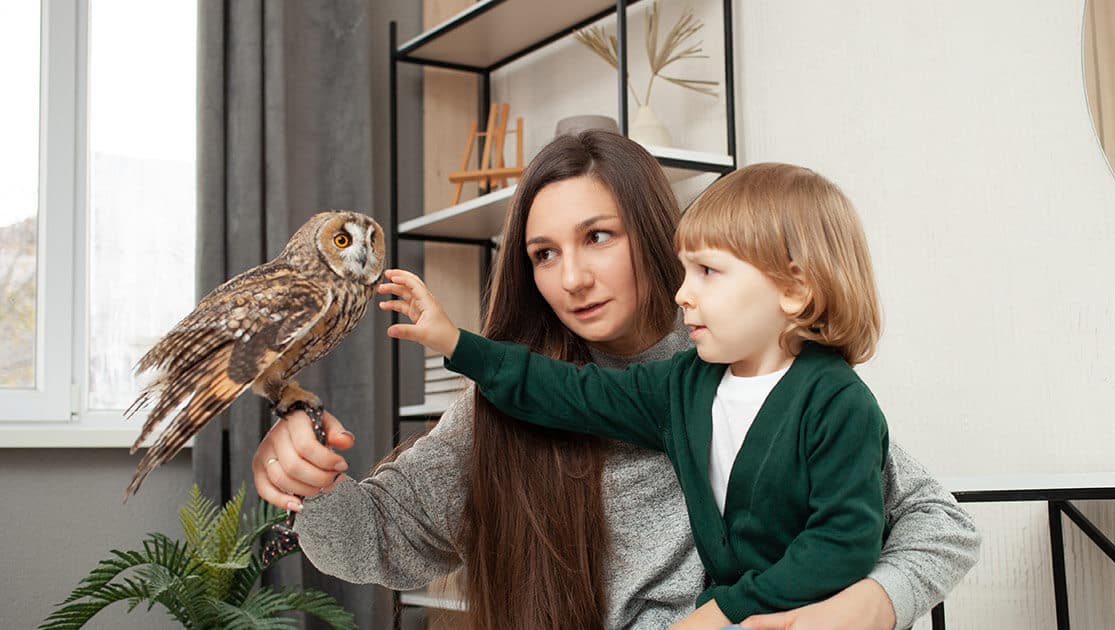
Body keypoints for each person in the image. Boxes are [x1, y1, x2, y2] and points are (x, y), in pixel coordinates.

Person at [253, 131, 980, 630]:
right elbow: (375, 542)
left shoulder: (760, 375)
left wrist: (869, 605)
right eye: (543, 253)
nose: (571, 278)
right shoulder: (505, 405)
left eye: (599, 237)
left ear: (655, 233)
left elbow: (937, 524)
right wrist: (309, 479)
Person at [380, 162, 890, 627]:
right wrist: (456, 343)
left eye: (707, 272)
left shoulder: (839, 406)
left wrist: (728, 611)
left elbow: (843, 545)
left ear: (794, 289)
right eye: (685, 270)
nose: (681, 293)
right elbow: (567, 392)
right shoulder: (685, 383)